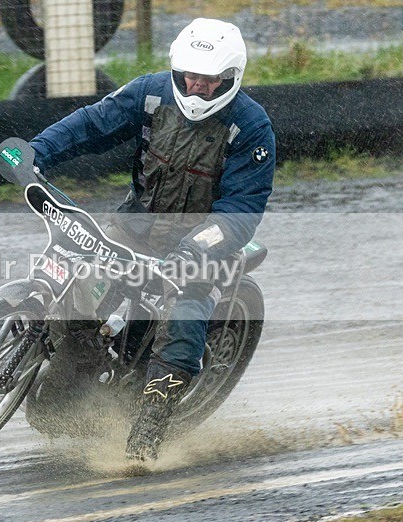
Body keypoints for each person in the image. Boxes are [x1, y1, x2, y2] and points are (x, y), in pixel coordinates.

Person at [27, 18, 275, 460]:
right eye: (189, 75)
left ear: (231, 78)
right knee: (78, 283)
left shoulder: (251, 129)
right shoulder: (150, 92)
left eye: (209, 79)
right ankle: (77, 367)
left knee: (183, 325)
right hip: (136, 225)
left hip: (204, 247)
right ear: (176, 70)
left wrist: (196, 248)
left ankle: (145, 436)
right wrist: (37, 151)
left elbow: (241, 212)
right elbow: (91, 124)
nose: (197, 86)